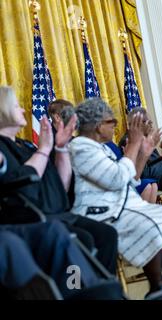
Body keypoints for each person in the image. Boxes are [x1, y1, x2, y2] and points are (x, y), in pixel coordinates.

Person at [69, 98, 162, 300]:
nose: (116, 126)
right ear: (99, 125)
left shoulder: (102, 147)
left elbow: (132, 180)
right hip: (101, 212)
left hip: (124, 205)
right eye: (113, 122)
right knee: (151, 225)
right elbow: (116, 178)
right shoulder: (80, 147)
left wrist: (143, 153)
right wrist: (134, 143)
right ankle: (158, 288)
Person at [0, 86, 118, 275]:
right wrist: (44, 150)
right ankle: (78, 290)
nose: (22, 109)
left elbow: (60, 186)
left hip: (57, 213)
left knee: (107, 235)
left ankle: (102, 288)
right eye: (15, 106)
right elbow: (23, 182)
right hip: (30, 219)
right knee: (85, 239)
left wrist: (61, 149)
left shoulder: (27, 146)